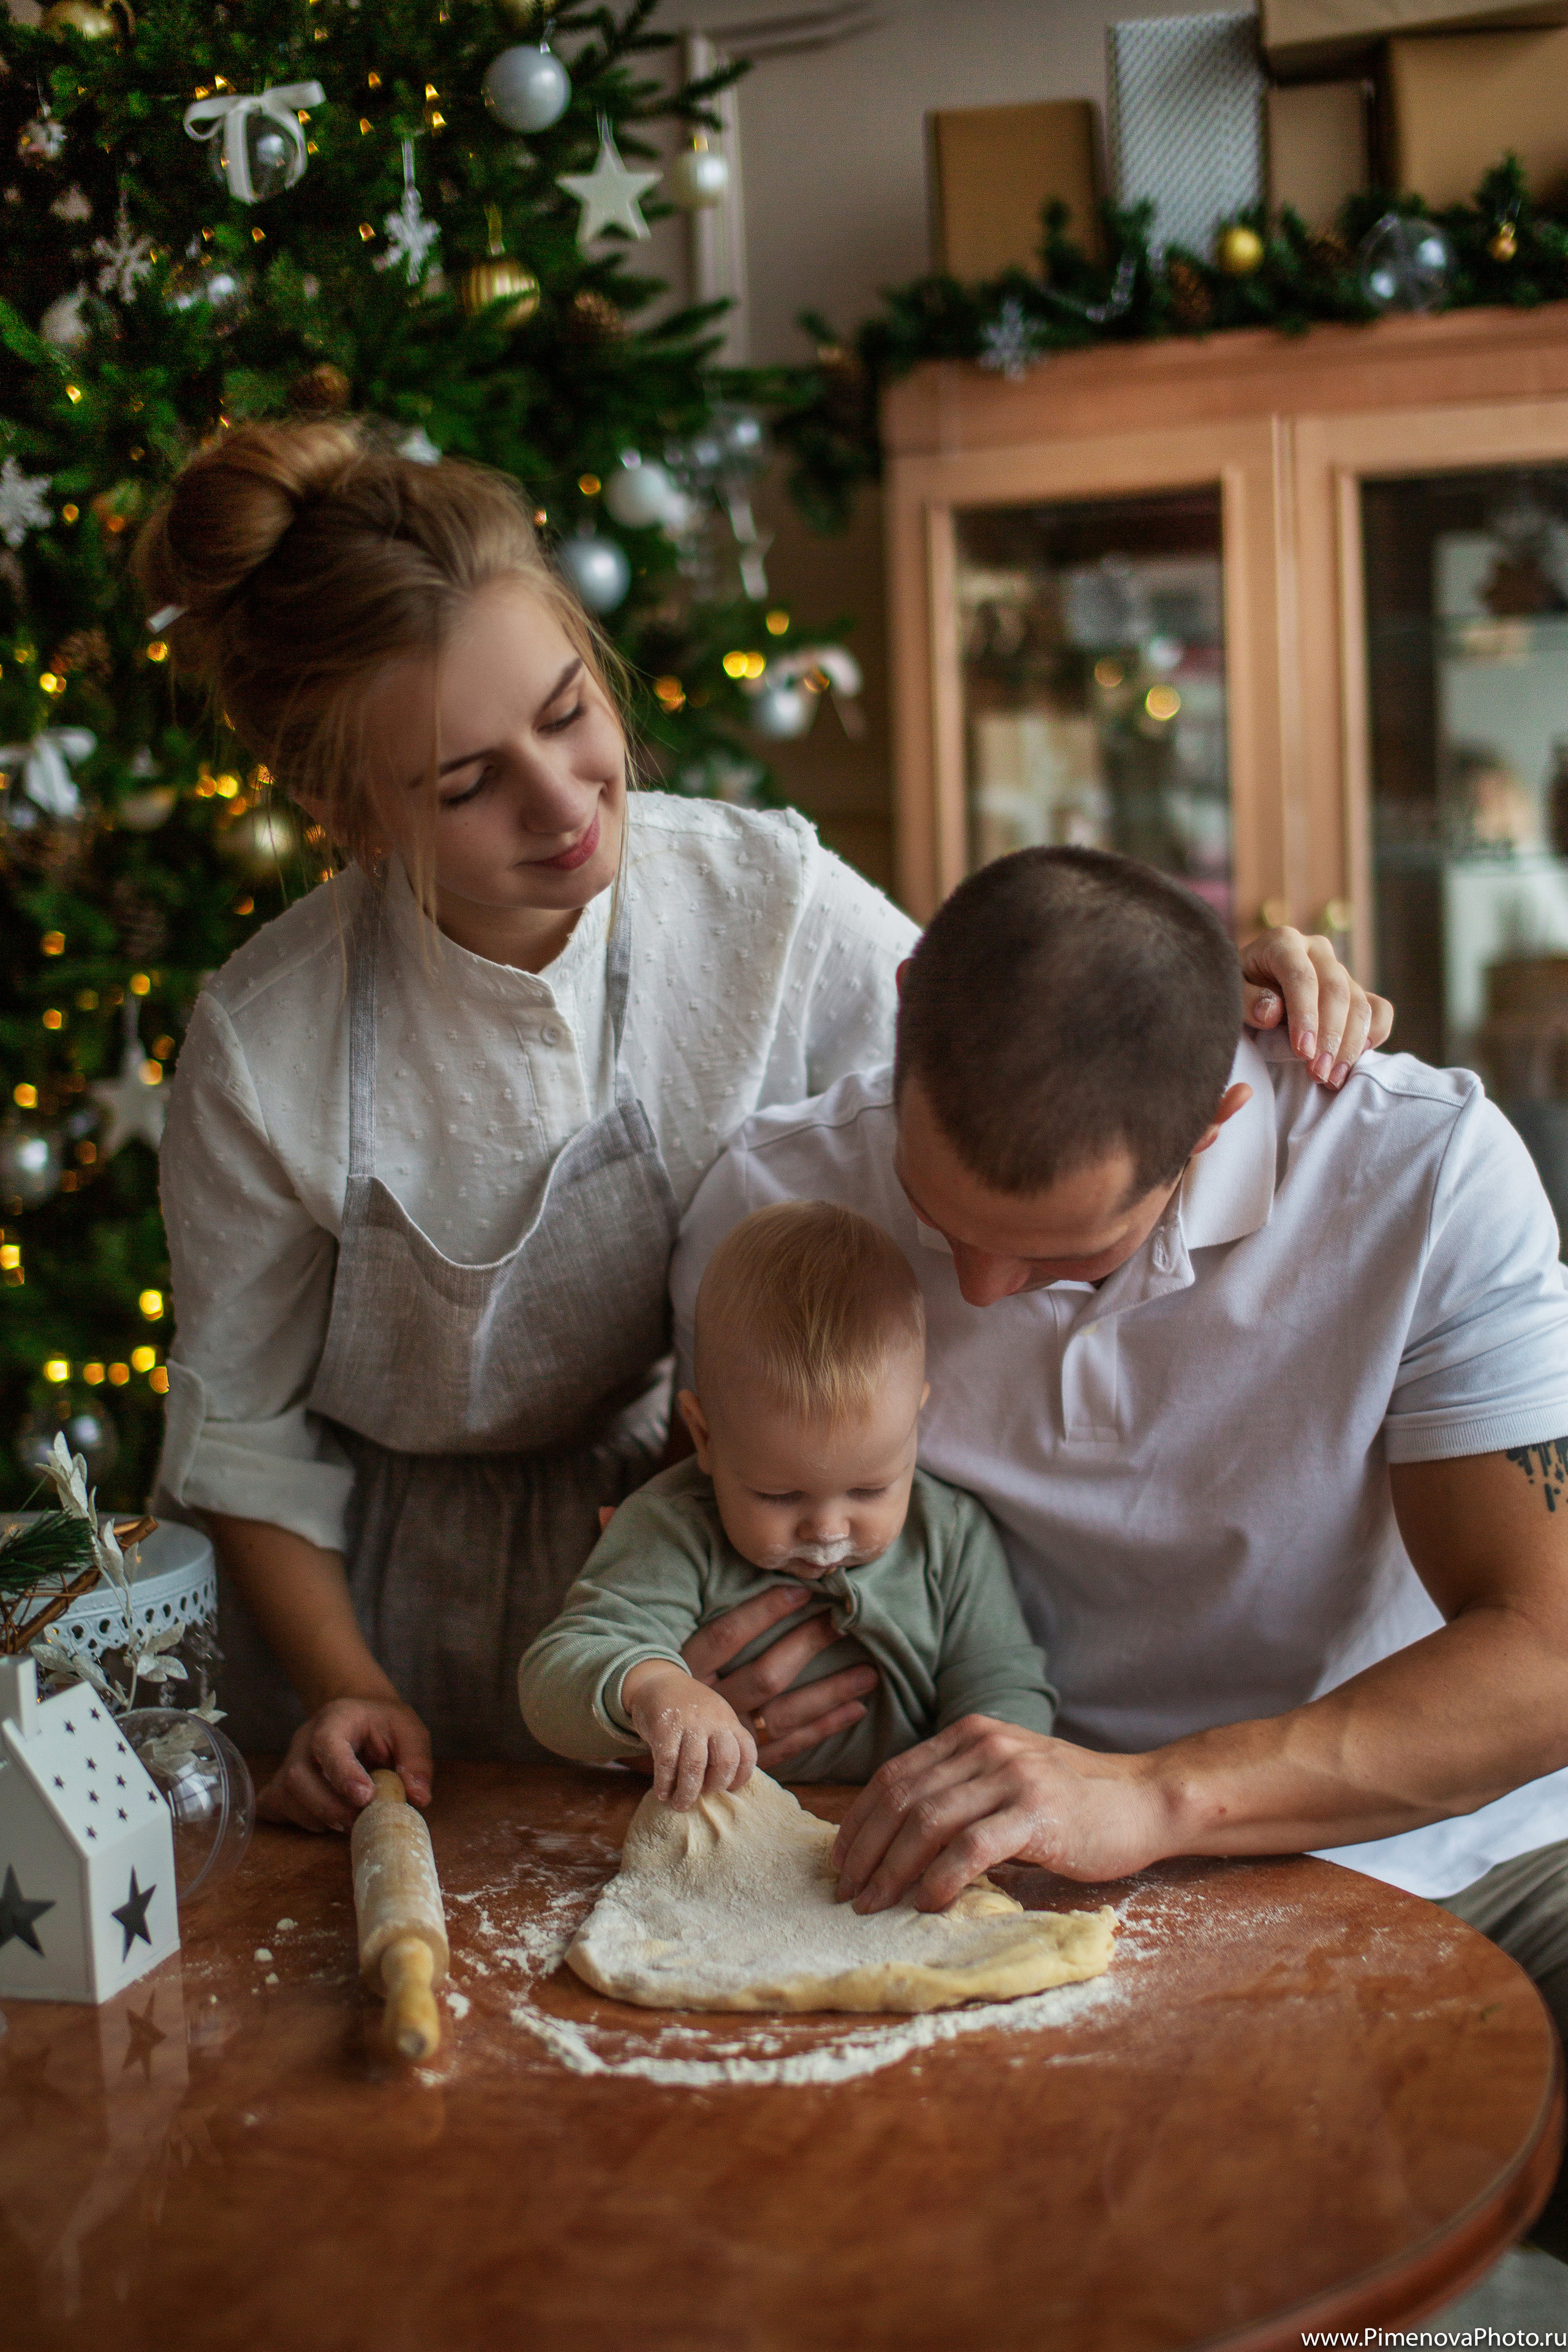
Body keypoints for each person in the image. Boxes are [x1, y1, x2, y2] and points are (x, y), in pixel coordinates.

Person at [141, 420, 1382, 1833]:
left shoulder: (763, 903)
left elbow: (1018, 1016)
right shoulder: (268, 1042)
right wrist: (343, 1683)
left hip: (693, 1532)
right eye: (464, 784)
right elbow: (239, 1430)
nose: (561, 803)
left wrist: (1216, 993)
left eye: (566, 714)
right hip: (369, 1596)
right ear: (340, 808)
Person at [669, 846, 1568, 2068]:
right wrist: (712, 1677)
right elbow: (690, 1550)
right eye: (938, 1223)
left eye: (1058, 1256)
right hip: (995, 1869)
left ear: (1213, 1119)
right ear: (901, 1007)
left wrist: (1149, 1794)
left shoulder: (1421, 1176)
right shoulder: (767, 1204)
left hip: (1443, 1853)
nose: (977, 1292)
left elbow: (1544, 1658)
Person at [518, 1202, 1054, 1804]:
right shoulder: (674, 1528)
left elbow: (1002, 1684)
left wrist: (982, 1774)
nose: (826, 1528)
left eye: (869, 1488)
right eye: (779, 1494)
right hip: (722, 1829)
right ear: (704, 1437)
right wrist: (652, 1688)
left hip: (901, 1825)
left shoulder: (949, 1535)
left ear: (913, 1424)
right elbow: (552, 1686)